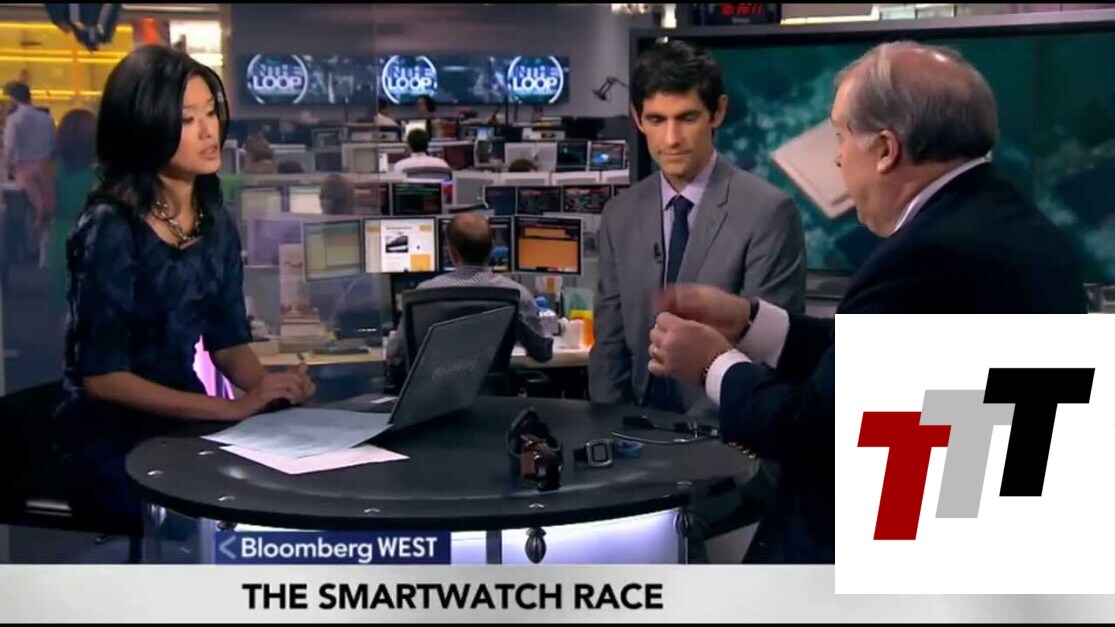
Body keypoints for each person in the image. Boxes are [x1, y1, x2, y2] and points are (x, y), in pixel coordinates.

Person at [647, 41, 1089, 564]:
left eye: (840, 135)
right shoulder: (1013, 225)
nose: (837, 157)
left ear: (885, 150)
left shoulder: (926, 256)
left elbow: (814, 432)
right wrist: (752, 323)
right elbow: (880, 356)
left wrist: (713, 364)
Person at [52, 45, 316, 527]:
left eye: (210, 113)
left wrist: (270, 390)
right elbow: (103, 377)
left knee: (280, 490)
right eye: (188, 119)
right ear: (145, 127)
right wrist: (230, 408)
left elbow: (227, 342)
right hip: (111, 435)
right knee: (217, 509)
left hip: (186, 416)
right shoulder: (111, 226)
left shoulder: (215, 219)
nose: (209, 131)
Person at [589, 39, 806, 417]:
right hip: (632, 429)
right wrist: (611, 426)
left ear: (717, 112)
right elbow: (609, 343)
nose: (671, 139)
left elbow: (766, 355)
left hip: (726, 431)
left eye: (687, 118)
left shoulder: (769, 213)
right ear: (637, 118)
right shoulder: (619, 215)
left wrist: (698, 438)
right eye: (657, 120)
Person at [385, 212, 553, 372]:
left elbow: (395, 356)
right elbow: (542, 353)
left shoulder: (422, 295)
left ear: (452, 252)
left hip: (435, 391)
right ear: (492, 248)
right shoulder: (517, 294)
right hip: (490, 391)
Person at [3, 80, 57, 268]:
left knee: (28, 211)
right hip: (46, 167)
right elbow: (53, 143)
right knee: (46, 210)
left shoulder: (14, 120)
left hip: (23, 170)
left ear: (12, 99)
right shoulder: (46, 119)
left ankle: (26, 252)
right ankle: (45, 252)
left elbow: (10, 148)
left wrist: (8, 168)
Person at [49, 108, 98, 311]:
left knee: (68, 307)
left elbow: (47, 205)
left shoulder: (52, 168)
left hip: (62, 237)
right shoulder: (105, 172)